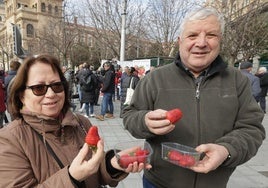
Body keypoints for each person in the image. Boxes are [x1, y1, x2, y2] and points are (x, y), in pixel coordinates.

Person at [122, 7, 265, 188]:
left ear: (220, 41)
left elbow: (252, 130)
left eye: (211, 35)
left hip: (214, 183)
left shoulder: (238, 81)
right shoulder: (155, 78)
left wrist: (226, 150)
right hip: (159, 183)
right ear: (180, 41)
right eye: (193, 35)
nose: (202, 42)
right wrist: (144, 122)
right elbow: (129, 115)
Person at [0, 54, 151, 187]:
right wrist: (71, 177)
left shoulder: (81, 122)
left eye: (57, 85)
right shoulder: (9, 140)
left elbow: (94, 167)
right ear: (21, 95)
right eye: (39, 88)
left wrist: (113, 164)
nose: (51, 94)